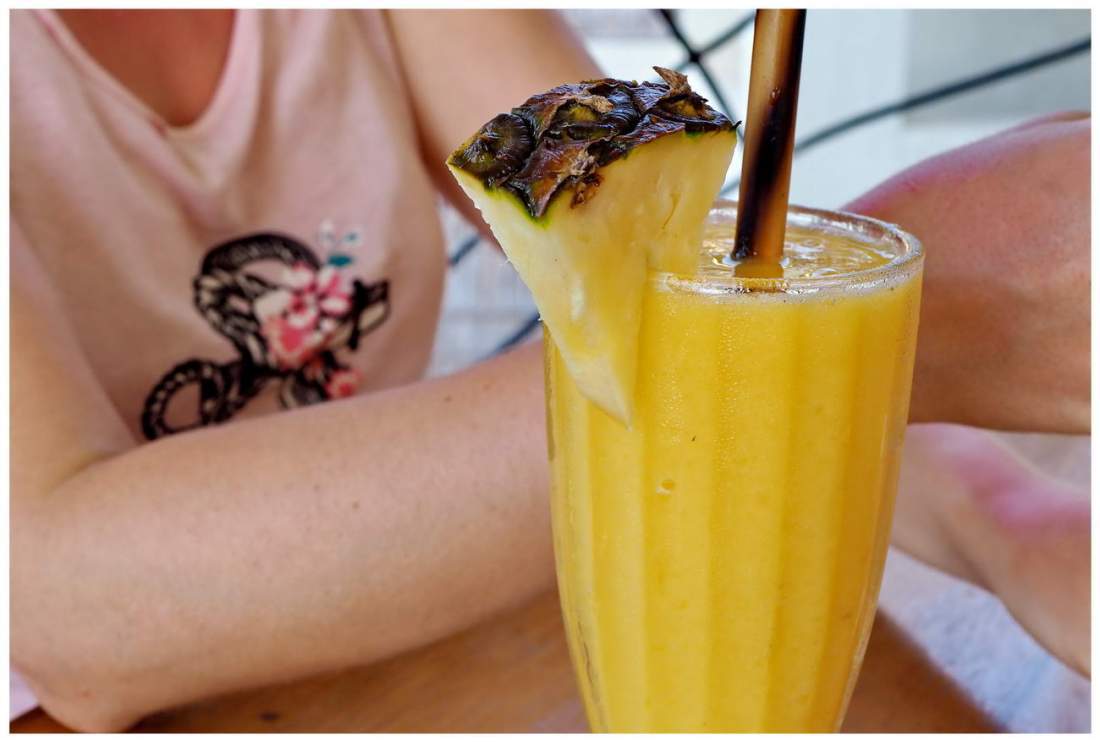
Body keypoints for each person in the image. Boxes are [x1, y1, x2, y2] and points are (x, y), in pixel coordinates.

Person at [10, 9, 1089, 732]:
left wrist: (1005, 520)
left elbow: (644, 243)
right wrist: (872, 340)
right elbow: (62, 611)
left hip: (409, 637)